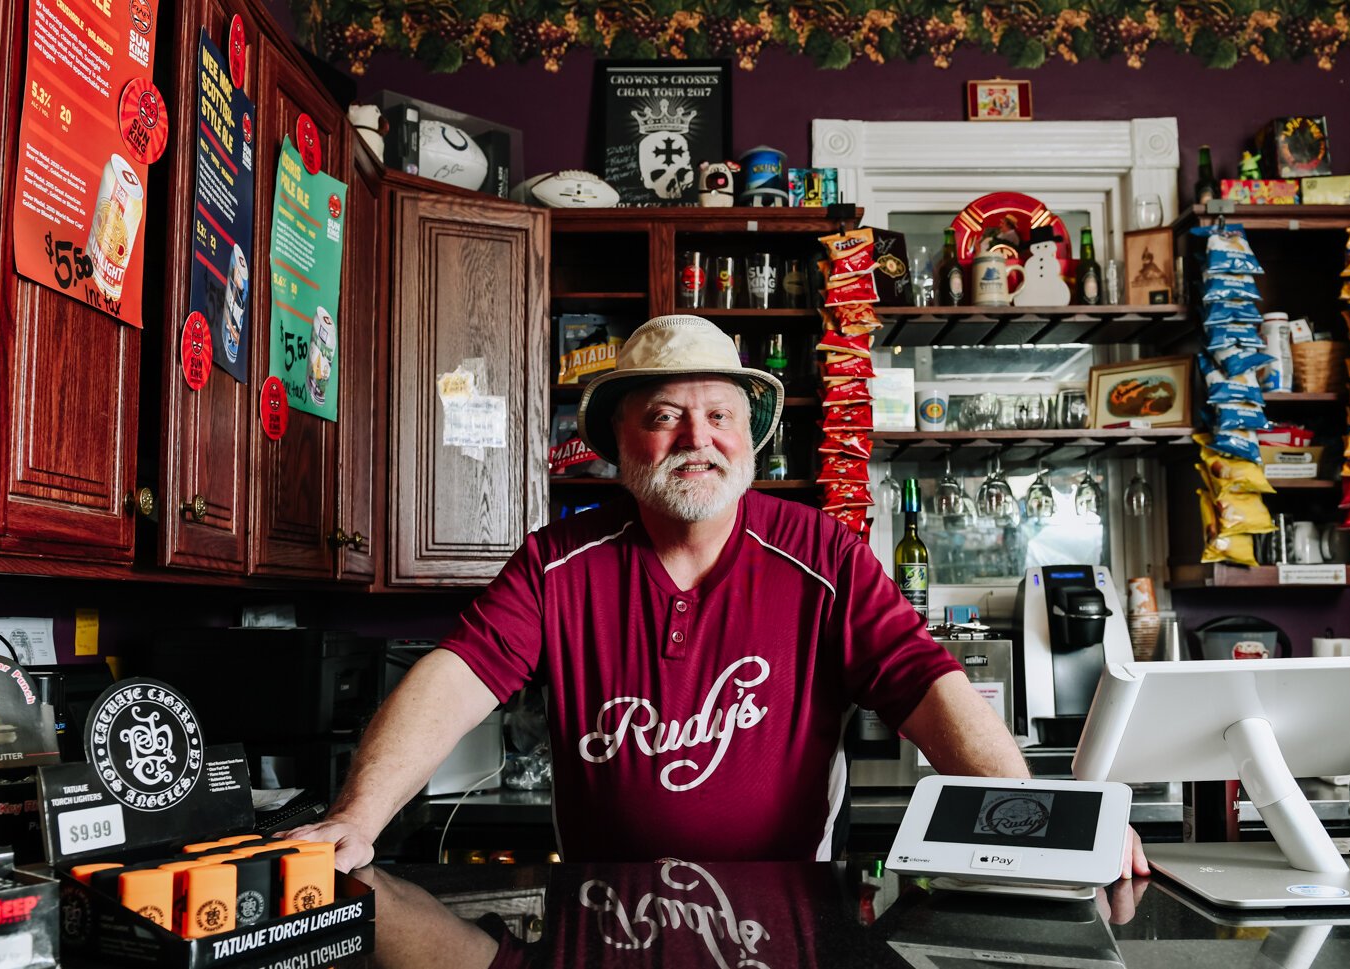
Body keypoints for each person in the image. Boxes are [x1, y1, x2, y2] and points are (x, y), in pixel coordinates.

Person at [292, 315, 1146, 876]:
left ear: (750, 439)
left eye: (720, 416)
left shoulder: (822, 554)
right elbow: (458, 673)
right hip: (603, 920)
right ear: (616, 440)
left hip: (783, 921)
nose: (696, 439)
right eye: (664, 414)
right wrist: (357, 817)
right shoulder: (559, 561)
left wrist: (1056, 823)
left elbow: (927, 686)